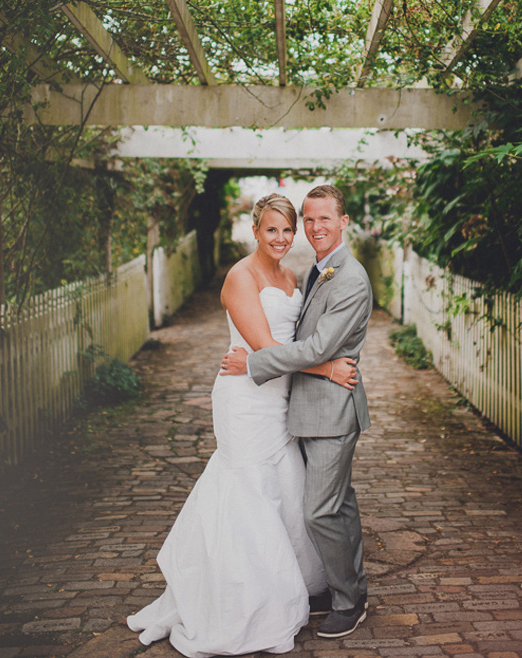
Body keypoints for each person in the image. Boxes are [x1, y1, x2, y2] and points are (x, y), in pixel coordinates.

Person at [127, 193, 358, 658]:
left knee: (286, 490)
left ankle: (298, 585)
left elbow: (283, 347)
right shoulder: (240, 276)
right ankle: (245, 603)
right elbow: (266, 347)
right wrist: (328, 369)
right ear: (254, 230)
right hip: (246, 400)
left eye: (288, 230)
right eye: (272, 229)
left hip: (281, 401)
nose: (281, 238)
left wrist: (269, 361)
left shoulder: (292, 275)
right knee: (249, 491)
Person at [220, 184, 373, 640]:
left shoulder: (349, 278)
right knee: (337, 504)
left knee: (319, 511)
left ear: (344, 222)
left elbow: (321, 345)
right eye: (308, 219)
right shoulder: (314, 271)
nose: (313, 227)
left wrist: (251, 364)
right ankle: (345, 587)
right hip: (299, 405)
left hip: (330, 409)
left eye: (323, 218)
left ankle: (349, 601)